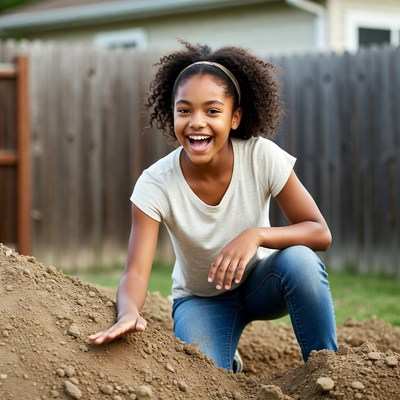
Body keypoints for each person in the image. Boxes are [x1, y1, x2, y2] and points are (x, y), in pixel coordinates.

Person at [88, 41, 338, 372]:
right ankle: (227, 362)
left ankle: (328, 374)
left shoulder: (260, 156)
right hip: (201, 302)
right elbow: (135, 270)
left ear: (235, 118)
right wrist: (129, 311)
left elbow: (319, 233)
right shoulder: (155, 183)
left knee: (302, 261)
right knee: (207, 378)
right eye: (184, 109)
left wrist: (256, 235)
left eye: (212, 110)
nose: (196, 122)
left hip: (262, 283)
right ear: (172, 113)